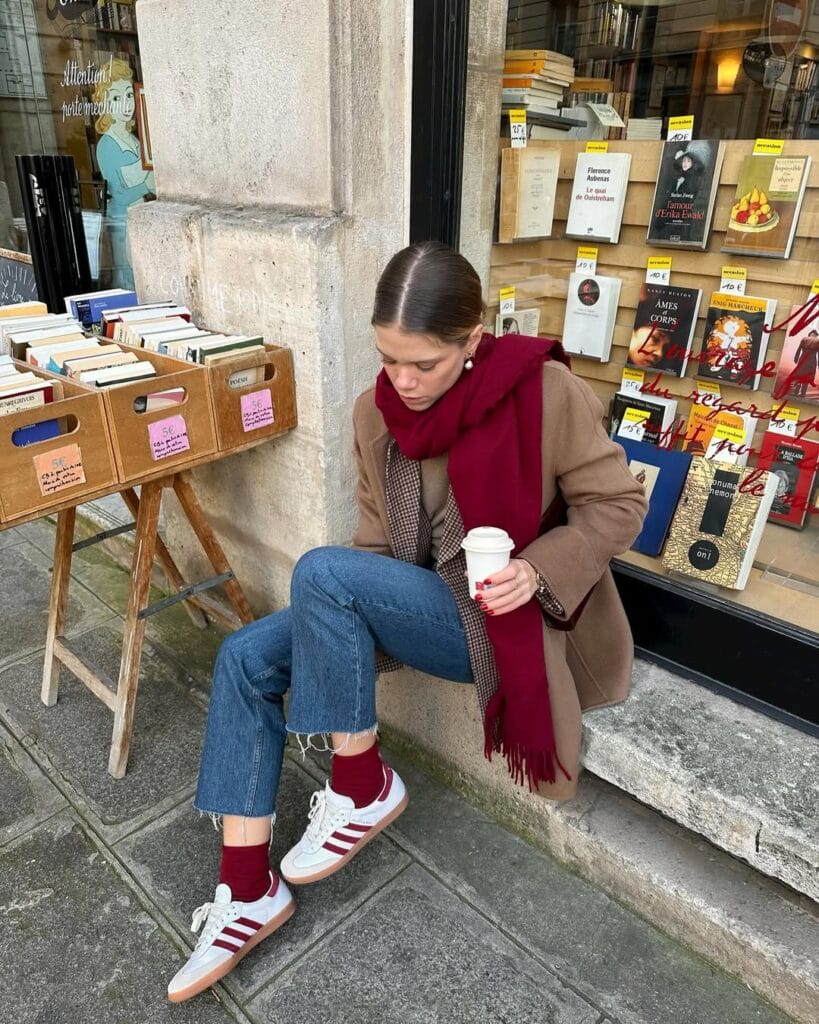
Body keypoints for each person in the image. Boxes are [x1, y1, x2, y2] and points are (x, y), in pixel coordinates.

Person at [167, 242, 647, 1003]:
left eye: (422, 363)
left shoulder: (543, 391)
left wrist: (537, 569)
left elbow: (617, 505)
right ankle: (246, 888)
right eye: (388, 359)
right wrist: (344, 638)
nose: (402, 381)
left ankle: (362, 784)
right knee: (244, 657)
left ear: (473, 337)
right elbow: (373, 556)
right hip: (427, 608)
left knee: (321, 572)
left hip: (507, 621)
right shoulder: (375, 415)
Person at [93, 58, 155, 290]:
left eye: (129, 95)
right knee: (128, 277)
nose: (126, 103)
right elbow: (119, 193)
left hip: (140, 217)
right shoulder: (107, 144)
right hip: (123, 221)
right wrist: (147, 185)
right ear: (105, 102)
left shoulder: (133, 139)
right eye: (117, 98)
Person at [793, 329, 819, 397]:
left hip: (812, 362)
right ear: (809, 335)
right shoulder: (804, 340)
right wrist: (796, 357)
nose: (813, 336)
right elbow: (798, 349)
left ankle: (803, 394)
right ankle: (796, 391)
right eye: (812, 335)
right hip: (803, 361)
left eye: (815, 336)